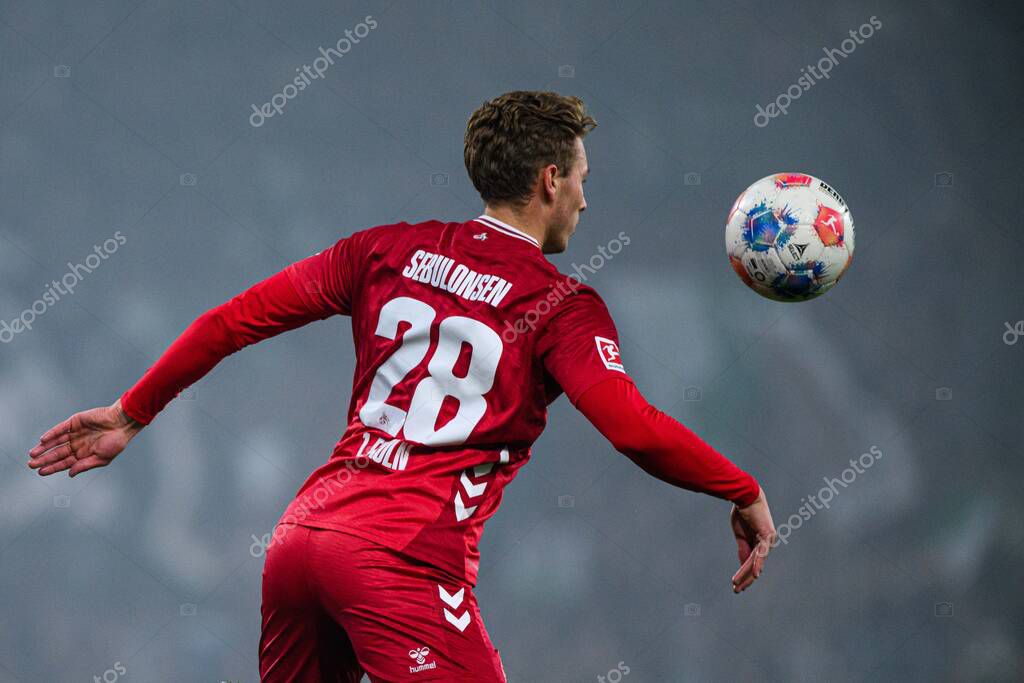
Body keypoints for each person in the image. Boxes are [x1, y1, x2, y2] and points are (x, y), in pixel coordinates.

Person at [28, 91, 776, 682]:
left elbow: (232, 320)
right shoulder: (564, 306)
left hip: (302, 538)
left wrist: (132, 412)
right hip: (401, 560)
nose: (586, 199)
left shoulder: (383, 249)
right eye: (583, 179)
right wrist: (739, 486)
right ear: (551, 180)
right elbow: (633, 427)